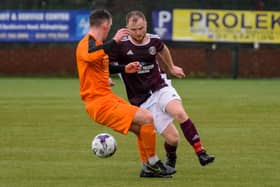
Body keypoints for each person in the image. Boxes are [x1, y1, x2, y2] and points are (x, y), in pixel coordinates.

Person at [108, 10, 215, 169]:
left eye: (141, 28)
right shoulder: (120, 45)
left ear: (146, 25)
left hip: (160, 86)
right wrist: (108, 77)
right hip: (142, 100)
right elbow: (107, 64)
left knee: (179, 113)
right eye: (134, 29)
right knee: (173, 139)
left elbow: (163, 49)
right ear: (127, 28)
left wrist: (171, 67)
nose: (138, 32)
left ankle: (201, 152)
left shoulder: (154, 40)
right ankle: (171, 158)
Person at [75, 9, 175, 178]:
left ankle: (146, 168)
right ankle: (153, 162)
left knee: (141, 128)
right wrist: (115, 41)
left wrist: (124, 68)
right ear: (106, 25)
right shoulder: (87, 44)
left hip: (107, 98)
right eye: (110, 27)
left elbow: (103, 65)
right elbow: (91, 56)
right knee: (148, 118)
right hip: (99, 103)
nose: (109, 31)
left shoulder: (97, 45)